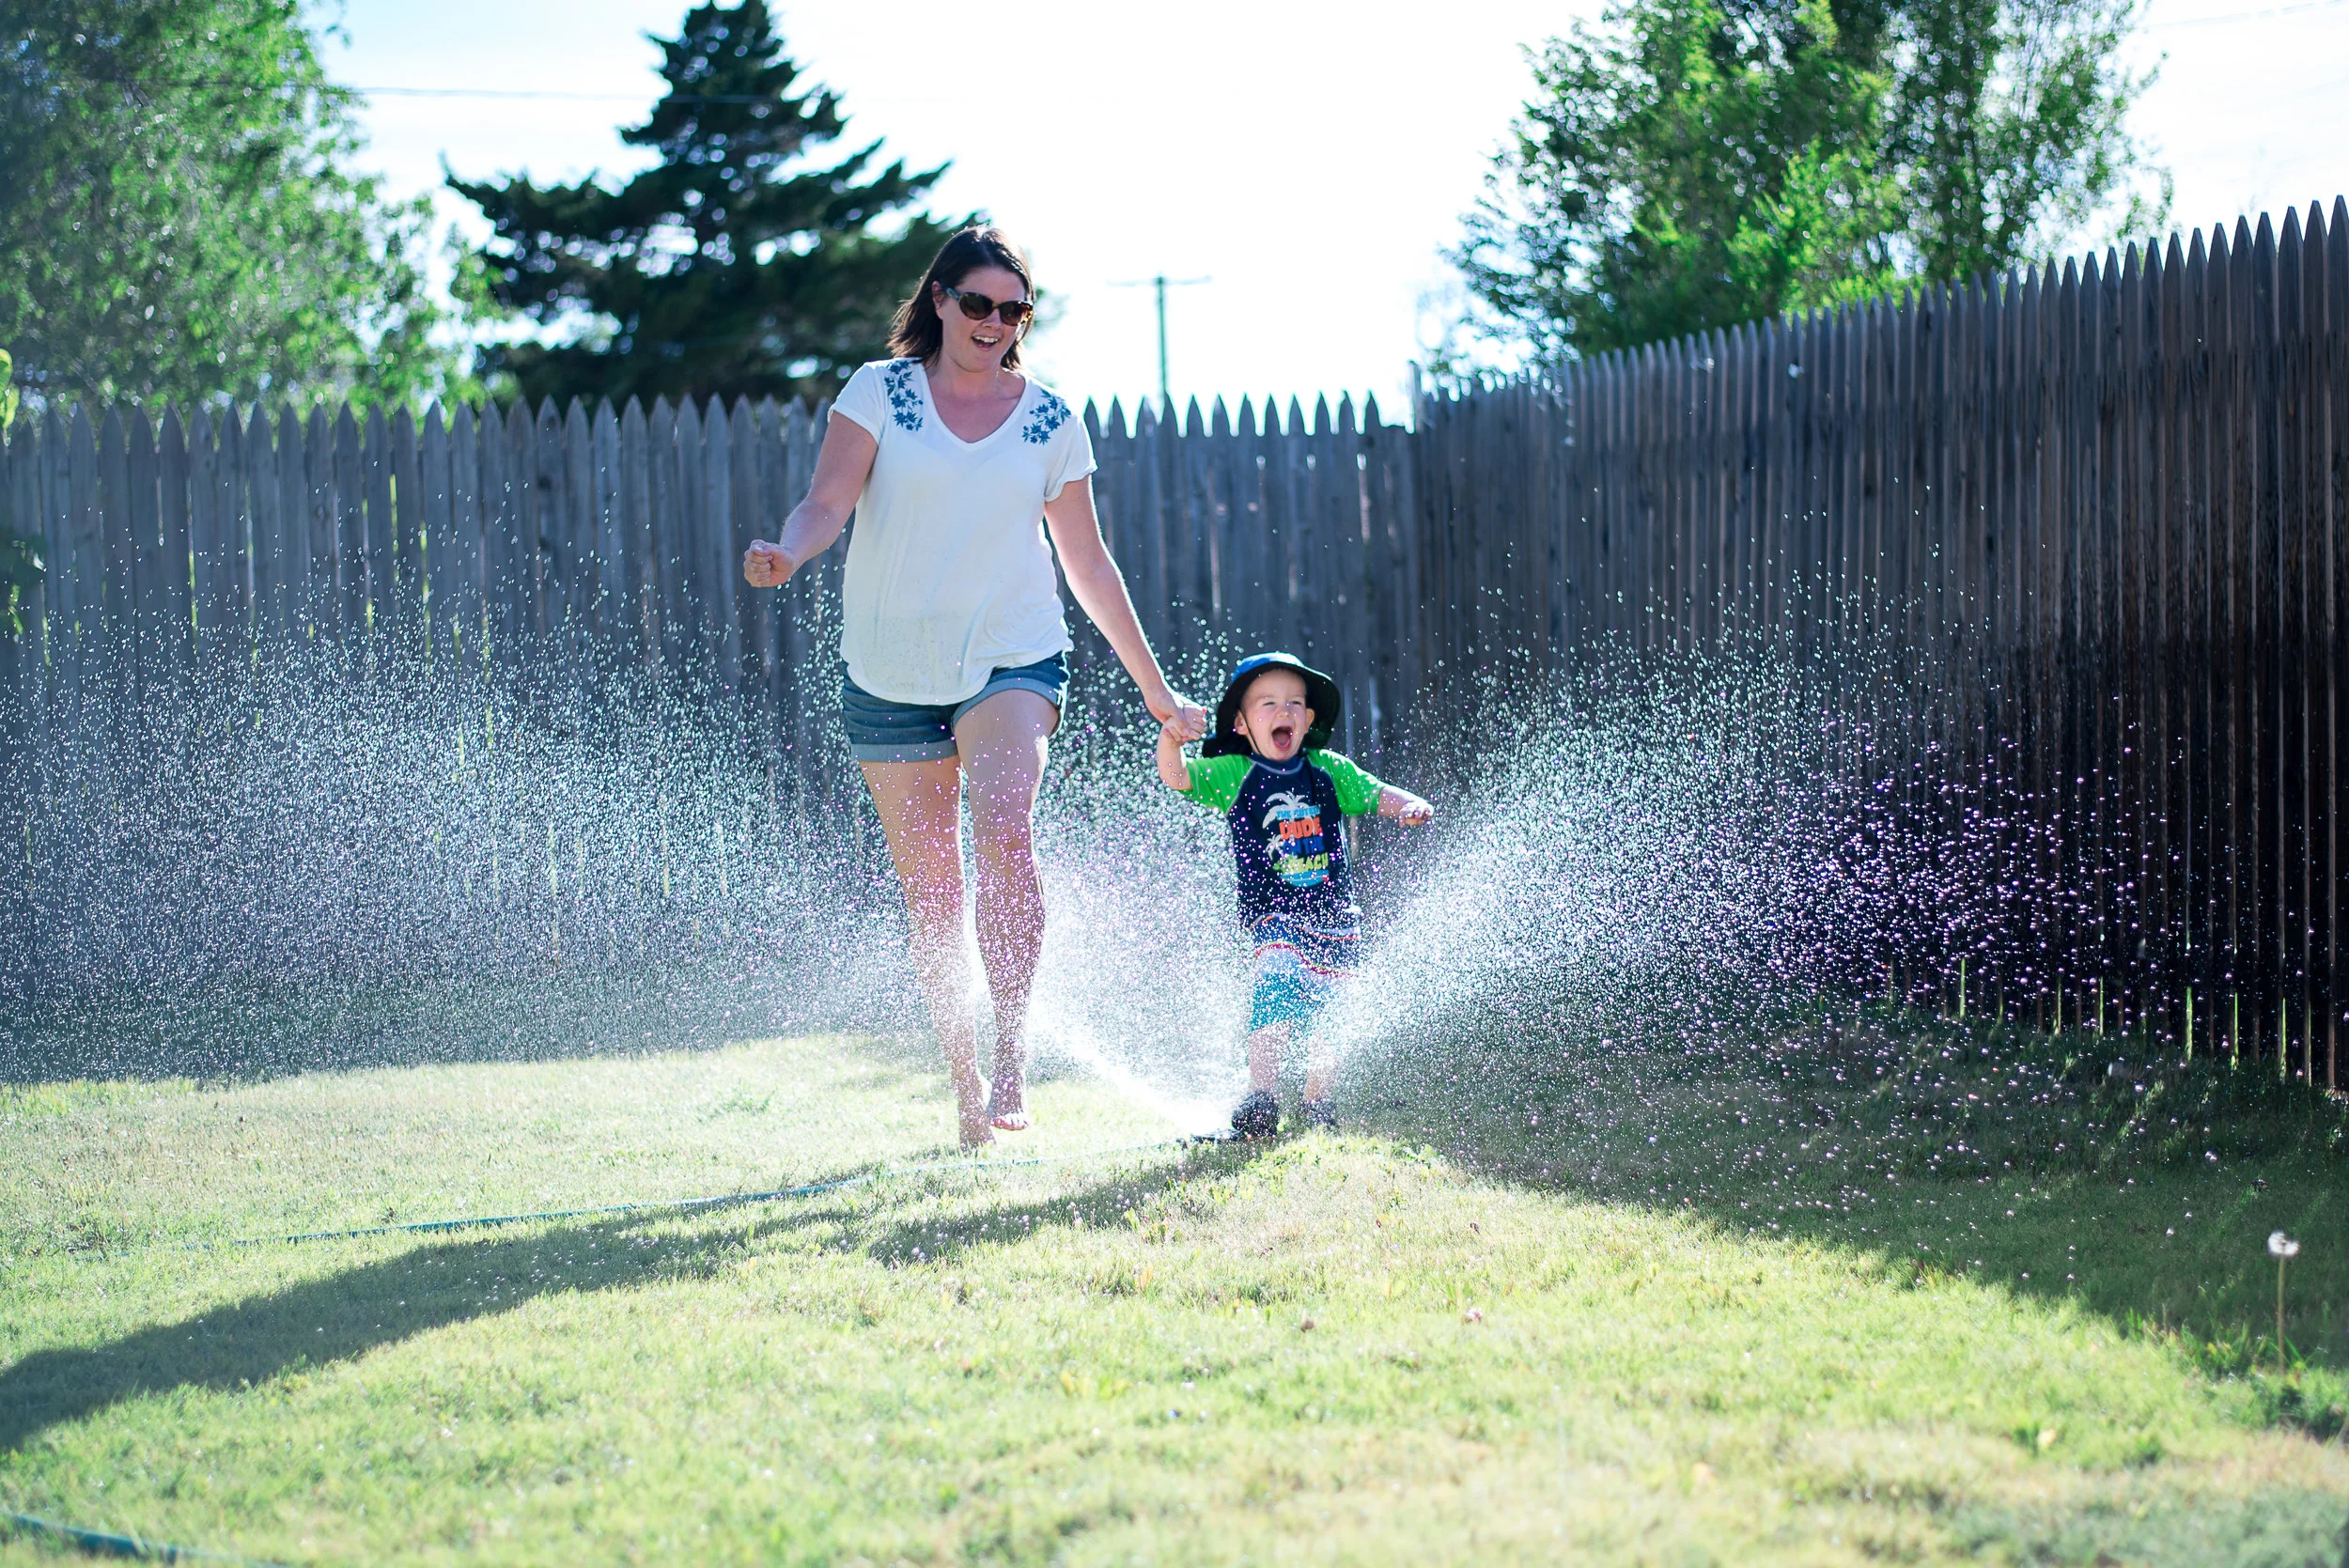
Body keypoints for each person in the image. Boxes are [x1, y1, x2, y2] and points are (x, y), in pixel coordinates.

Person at [742, 226, 1207, 1149]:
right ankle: (964, 1090)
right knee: (934, 896)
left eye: (1014, 310)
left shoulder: (1047, 420)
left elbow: (1085, 561)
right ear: (941, 300)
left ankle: (1010, 1054)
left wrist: (1157, 693)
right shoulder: (879, 393)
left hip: (1012, 654)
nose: (995, 323)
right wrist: (788, 551)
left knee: (1002, 821)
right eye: (979, 304)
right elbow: (828, 501)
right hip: (888, 670)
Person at [1155, 652, 1434, 1138]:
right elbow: (1177, 778)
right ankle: (1262, 1097)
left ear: (1307, 719)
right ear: (1241, 724)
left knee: (1331, 1015)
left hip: (1336, 918)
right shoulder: (1235, 772)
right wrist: (1170, 740)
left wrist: (1405, 803)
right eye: (1266, 704)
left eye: (1293, 704)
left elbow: (1373, 793)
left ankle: (1317, 1103)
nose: (1282, 712)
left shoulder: (1329, 771)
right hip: (1274, 916)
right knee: (1276, 990)